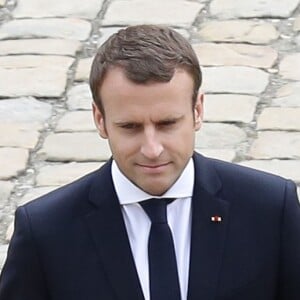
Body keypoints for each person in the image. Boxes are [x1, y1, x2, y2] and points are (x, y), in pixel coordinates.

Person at [0, 25, 299, 300]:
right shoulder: (46, 231)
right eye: (130, 127)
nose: (152, 149)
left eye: (167, 123)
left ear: (197, 110)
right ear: (100, 120)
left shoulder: (270, 209)